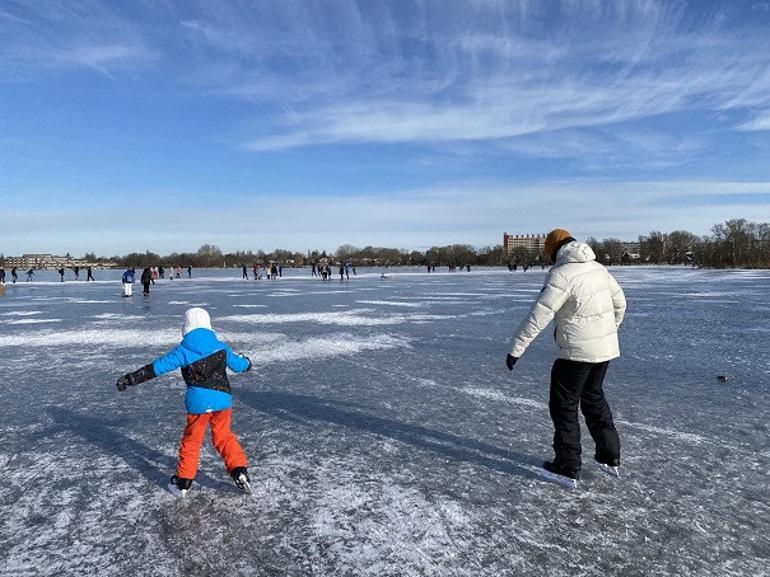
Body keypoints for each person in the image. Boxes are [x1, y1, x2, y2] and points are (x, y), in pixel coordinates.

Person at [506, 228, 626, 487]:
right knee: (594, 398)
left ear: (554, 251)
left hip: (576, 354)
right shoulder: (599, 268)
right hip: (604, 351)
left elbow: (539, 315)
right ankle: (610, 455)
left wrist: (517, 348)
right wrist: (606, 333)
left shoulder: (562, 274)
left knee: (564, 406)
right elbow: (621, 304)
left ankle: (567, 465)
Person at [115, 308, 253, 497]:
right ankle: (239, 470)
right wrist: (247, 362)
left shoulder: (183, 351)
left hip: (198, 405)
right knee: (224, 436)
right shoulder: (221, 347)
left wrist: (130, 379)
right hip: (223, 400)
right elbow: (239, 365)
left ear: (186, 327)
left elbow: (156, 368)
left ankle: (183, 482)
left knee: (192, 441)